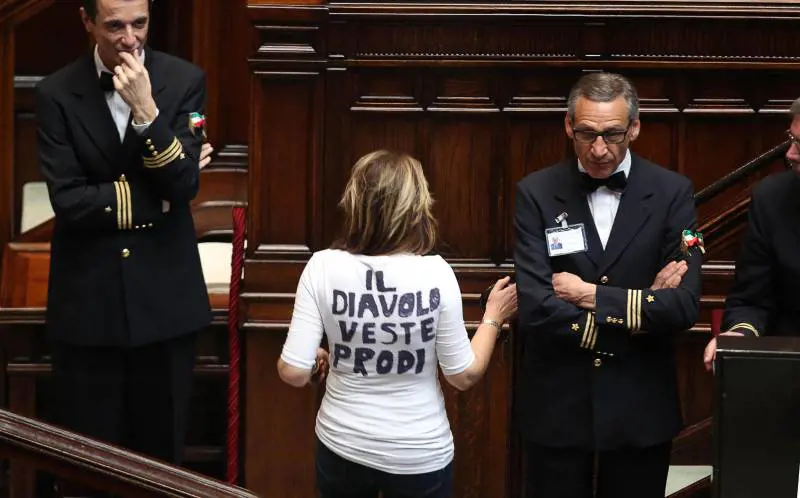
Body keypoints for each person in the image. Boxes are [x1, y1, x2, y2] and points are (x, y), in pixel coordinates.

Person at [35, 0, 214, 475]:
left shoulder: (184, 80)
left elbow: (185, 186)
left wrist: (147, 110)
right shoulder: (55, 92)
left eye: (140, 23)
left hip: (166, 304)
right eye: (114, 26)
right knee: (89, 463)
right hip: (88, 306)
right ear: (87, 21)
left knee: (161, 466)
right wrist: (156, 203)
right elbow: (69, 201)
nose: (130, 38)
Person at [277, 150, 518, 498]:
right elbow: (462, 375)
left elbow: (294, 372)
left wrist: (316, 356)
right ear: (417, 208)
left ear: (354, 202)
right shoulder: (436, 273)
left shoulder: (322, 266)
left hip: (342, 445)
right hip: (418, 452)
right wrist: (494, 317)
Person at [513, 72, 703, 498]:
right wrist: (637, 306)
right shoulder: (536, 193)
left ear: (635, 127)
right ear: (567, 126)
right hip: (558, 407)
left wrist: (589, 295)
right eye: (586, 134)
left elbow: (683, 305)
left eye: (613, 134)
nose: (599, 149)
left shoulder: (673, 193)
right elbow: (535, 304)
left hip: (640, 407)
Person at [703, 97, 800, 370]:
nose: (790, 154)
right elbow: (752, 299)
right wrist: (740, 333)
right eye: (791, 139)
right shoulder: (772, 199)